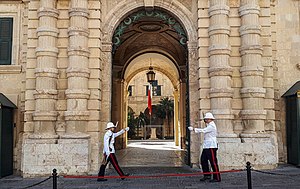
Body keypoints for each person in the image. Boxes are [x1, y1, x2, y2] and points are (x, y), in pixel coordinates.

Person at [188, 112, 221, 182]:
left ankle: (217, 177)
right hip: (207, 146)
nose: (205, 120)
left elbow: (204, 130)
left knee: (213, 162)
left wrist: (194, 129)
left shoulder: (211, 126)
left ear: (210, 119)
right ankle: (207, 175)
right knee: (203, 160)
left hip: (211, 146)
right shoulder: (209, 125)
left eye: (206, 119)